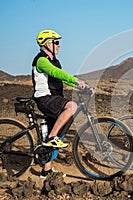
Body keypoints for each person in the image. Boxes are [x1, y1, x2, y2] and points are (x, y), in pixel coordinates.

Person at [32, 29, 85, 178]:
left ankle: (46, 170)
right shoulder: (41, 60)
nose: (59, 46)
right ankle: (51, 138)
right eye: (56, 42)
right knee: (72, 106)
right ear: (47, 43)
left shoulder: (55, 61)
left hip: (54, 98)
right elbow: (56, 73)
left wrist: (80, 85)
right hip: (45, 98)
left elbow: (62, 78)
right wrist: (75, 80)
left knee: (58, 132)